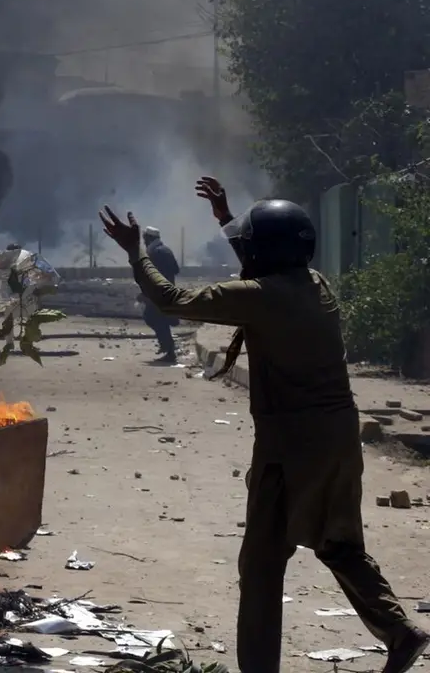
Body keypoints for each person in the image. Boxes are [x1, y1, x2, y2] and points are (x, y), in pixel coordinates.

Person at [97, 177, 429, 673]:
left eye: (248, 245)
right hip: (339, 436)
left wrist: (136, 252)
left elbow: (170, 299)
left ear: (262, 252)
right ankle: (400, 631)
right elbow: (264, 259)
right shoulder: (315, 283)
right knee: (340, 545)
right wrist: (229, 219)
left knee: (261, 566)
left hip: (289, 447)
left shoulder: (261, 296)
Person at [139, 226, 180, 363]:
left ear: (149, 238)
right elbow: (176, 269)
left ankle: (169, 349)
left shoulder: (154, 253)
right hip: (167, 290)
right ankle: (167, 347)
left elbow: (150, 275)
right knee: (159, 319)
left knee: (152, 317)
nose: (144, 241)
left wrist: (146, 293)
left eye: (145, 238)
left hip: (159, 292)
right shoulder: (165, 250)